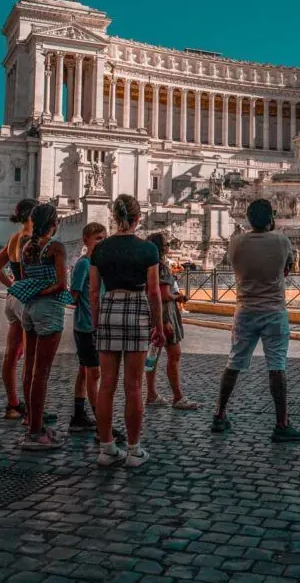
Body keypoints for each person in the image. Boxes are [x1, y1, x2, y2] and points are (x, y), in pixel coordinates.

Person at [211, 199, 300, 443]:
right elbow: (286, 270)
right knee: (277, 366)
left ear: (248, 219)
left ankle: (219, 414)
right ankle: (282, 423)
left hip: (245, 309)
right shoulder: (282, 241)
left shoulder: (235, 243)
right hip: (274, 309)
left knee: (234, 362)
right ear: (271, 218)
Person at [90, 194, 165, 467]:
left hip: (109, 308)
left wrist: (97, 324)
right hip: (136, 310)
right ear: (137, 218)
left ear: (114, 217)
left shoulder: (99, 250)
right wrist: (158, 325)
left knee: (106, 385)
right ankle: (134, 450)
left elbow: (94, 292)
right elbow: (154, 291)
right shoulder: (148, 250)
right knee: (134, 386)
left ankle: (106, 447)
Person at [7, 204, 72, 449]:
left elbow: (24, 279)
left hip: (29, 310)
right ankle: (35, 432)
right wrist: (45, 291)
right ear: (54, 223)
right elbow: (60, 285)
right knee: (42, 374)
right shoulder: (56, 247)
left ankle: (33, 423)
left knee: (30, 369)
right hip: (48, 310)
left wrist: (34, 291)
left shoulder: (26, 248)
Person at [0, 198, 38, 421]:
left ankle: (13, 404)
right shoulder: (30, 240)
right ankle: (31, 408)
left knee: (11, 353)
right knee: (31, 357)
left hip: (13, 298)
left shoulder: (14, 238)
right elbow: (33, 274)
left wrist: (12, 285)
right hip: (26, 300)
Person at [145, 233, 200, 410]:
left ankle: (151, 394)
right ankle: (177, 397)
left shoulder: (148, 265)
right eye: (166, 244)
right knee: (174, 355)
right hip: (165, 314)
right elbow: (162, 294)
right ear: (162, 248)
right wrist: (179, 297)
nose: (169, 247)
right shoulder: (161, 267)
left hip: (154, 315)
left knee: (152, 355)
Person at [68, 222, 105, 432]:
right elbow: (73, 295)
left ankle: (79, 414)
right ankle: (100, 419)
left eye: (103, 238)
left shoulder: (98, 263)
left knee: (84, 370)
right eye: (98, 238)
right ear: (86, 240)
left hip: (94, 324)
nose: (102, 242)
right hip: (86, 325)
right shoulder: (84, 264)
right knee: (94, 372)